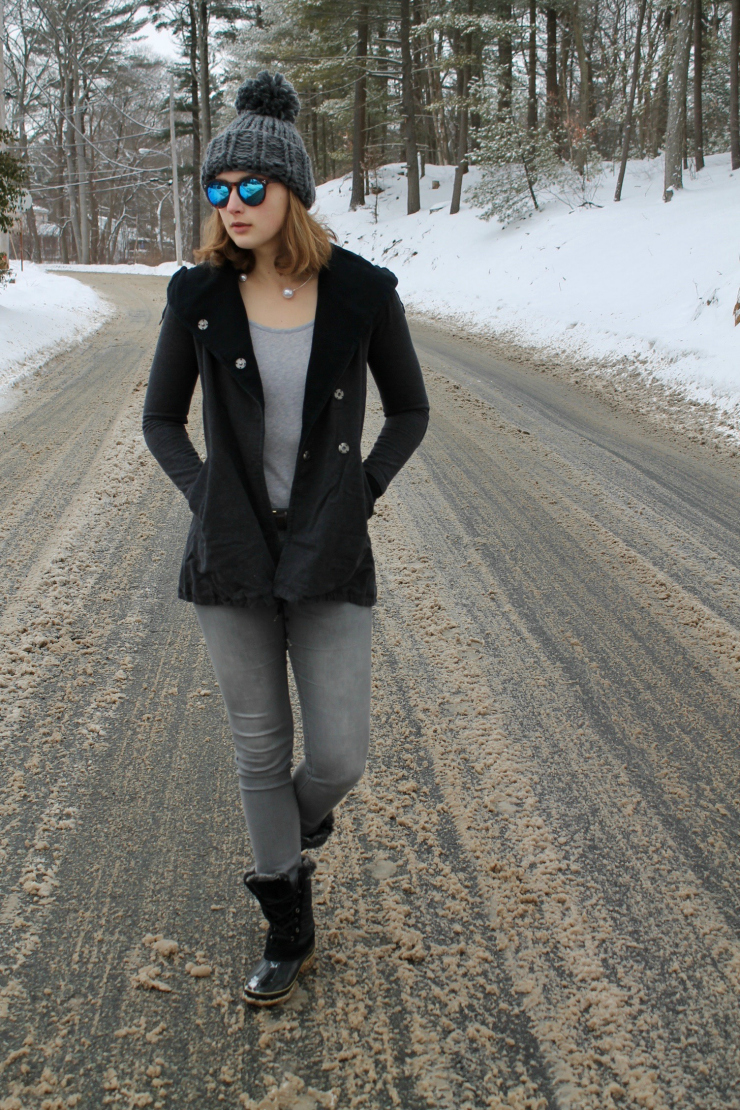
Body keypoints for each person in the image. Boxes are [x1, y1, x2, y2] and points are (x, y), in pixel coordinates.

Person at [141, 70, 429, 1007]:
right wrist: (205, 496)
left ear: (290, 194)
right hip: (229, 555)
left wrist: (363, 491)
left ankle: (290, 831)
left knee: (339, 755)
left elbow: (410, 410)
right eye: (216, 191)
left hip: (328, 551)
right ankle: (286, 916)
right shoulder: (195, 297)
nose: (229, 207)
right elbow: (161, 422)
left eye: (248, 189)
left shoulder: (360, 292)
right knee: (258, 750)